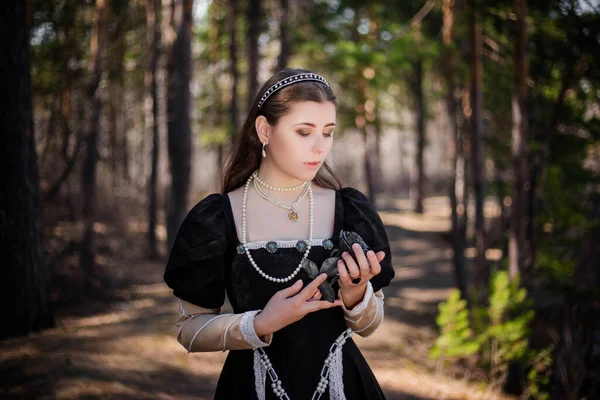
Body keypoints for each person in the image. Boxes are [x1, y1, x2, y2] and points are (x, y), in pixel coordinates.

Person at [164, 68, 395, 400]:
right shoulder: (218, 217)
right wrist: (259, 324)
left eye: (328, 133)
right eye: (303, 132)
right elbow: (189, 332)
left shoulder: (349, 210)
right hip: (251, 389)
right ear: (264, 130)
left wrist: (357, 294)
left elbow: (369, 326)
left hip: (344, 388)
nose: (319, 148)